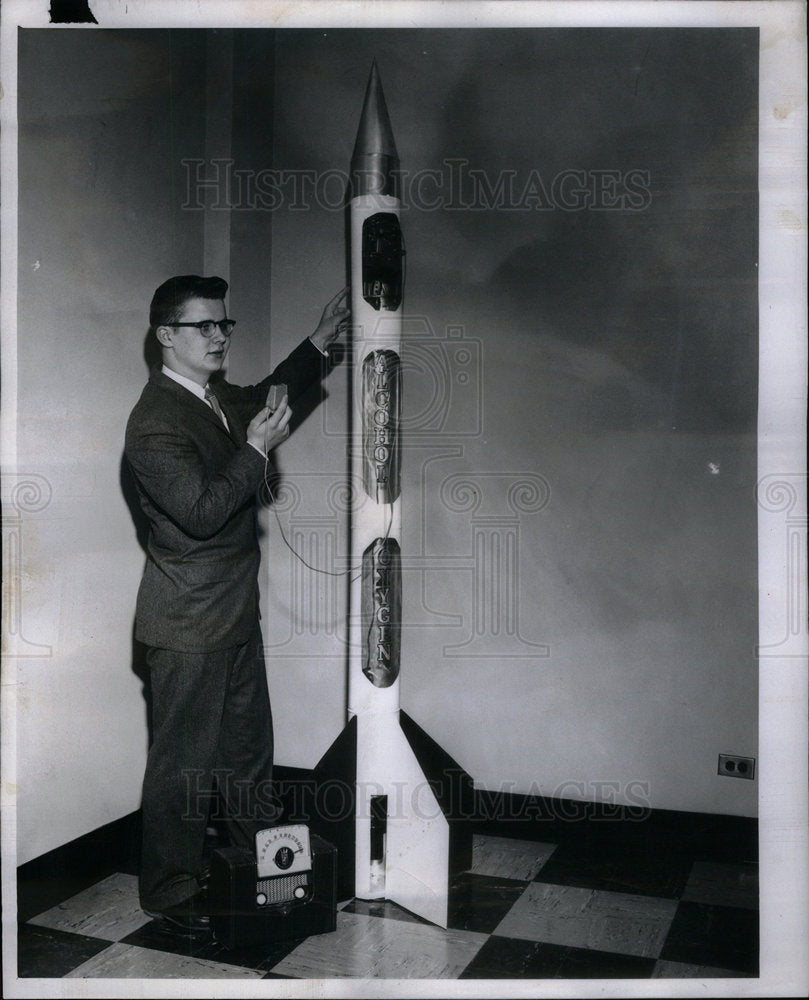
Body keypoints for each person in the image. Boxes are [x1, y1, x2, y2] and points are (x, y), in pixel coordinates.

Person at [125, 275, 348, 934]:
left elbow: (263, 396)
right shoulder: (153, 424)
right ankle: (168, 893)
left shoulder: (214, 395)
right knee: (184, 771)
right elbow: (199, 513)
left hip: (233, 617)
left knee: (249, 758)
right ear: (166, 335)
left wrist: (316, 343)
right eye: (204, 326)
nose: (220, 335)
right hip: (186, 627)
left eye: (225, 324)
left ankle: (275, 874)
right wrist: (255, 450)